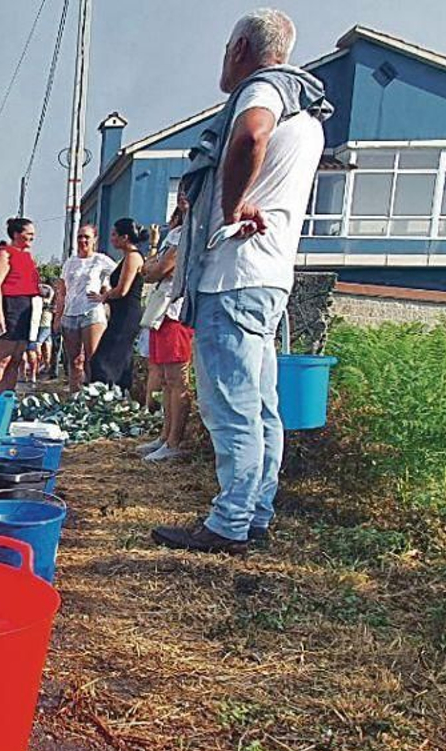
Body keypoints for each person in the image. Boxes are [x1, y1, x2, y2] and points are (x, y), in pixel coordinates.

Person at [151, 8, 332, 555]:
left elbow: (250, 135)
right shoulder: (309, 112)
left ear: (239, 49)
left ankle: (228, 523)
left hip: (234, 278)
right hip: (271, 278)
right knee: (260, 405)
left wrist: (231, 206)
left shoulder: (266, 90)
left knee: (229, 406)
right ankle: (255, 513)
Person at [137, 201, 194, 462]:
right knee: (167, 380)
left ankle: (174, 441)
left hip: (177, 310)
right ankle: (164, 436)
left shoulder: (191, 232)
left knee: (178, 379)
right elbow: (148, 268)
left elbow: (158, 269)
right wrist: (153, 268)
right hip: (161, 311)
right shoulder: (174, 232)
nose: (184, 199)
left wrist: (154, 269)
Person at [89, 218, 148, 391]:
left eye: (115, 235)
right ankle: (121, 393)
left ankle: (104, 392)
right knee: (121, 358)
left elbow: (123, 289)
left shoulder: (133, 257)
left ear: (125, 237)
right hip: (120, 313)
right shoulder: (126, 257)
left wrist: (104, 296)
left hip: (127, 314)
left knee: (103, 359)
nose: (112, 238)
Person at [56, 223, 117, 390]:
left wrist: (105, 295)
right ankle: (74, 396)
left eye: (86, 237)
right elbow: (62, 291)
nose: (83, 240)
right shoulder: (70, 262)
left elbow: (122, 275)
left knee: (93, 358)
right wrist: (57, 317)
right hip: (70, 313)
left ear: (94, 240)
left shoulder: (100, 260)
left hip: (91, 311)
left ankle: (95, 395)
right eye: (80, 237)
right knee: (74, 360)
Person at [0, 218, 40, 395]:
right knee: (3, 358)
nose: (33, 237)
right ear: (17, 234)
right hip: (8, 305)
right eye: (29, 233)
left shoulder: (27, 256)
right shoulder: (4, 254)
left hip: (25, 306)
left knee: (16, 358)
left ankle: (8, 395)